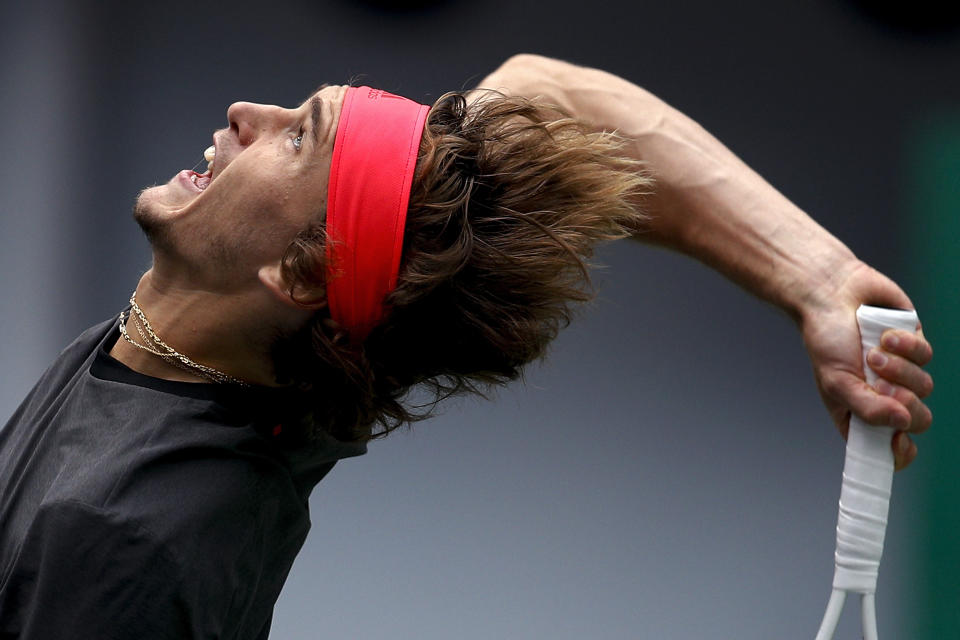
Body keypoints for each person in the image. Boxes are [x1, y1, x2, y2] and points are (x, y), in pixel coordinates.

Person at [0, 54, 933, 638]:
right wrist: (816, 278)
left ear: (305, 272)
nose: (249, 113)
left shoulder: (116, 545)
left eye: (296, 139)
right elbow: (546, 91)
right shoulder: (249, 362)